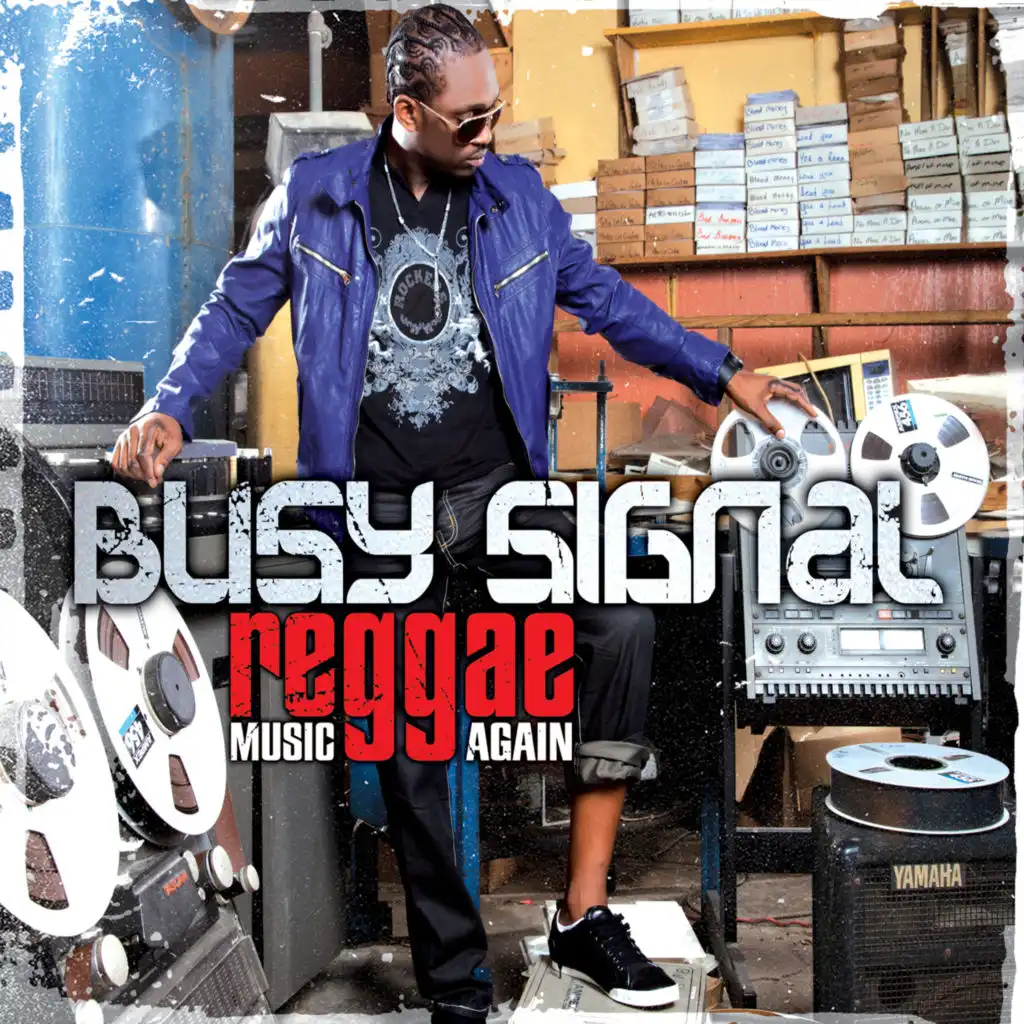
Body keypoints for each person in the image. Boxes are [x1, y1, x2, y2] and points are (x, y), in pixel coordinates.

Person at [112, 5, 813, 1020]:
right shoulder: (314, 199)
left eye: (496, 111)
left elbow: (609, 303)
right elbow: (234, 307)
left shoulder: (519, 200)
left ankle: (582, 914)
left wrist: (725, 372)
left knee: (620, 623)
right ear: (407, 111)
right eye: (470, 119)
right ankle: (455, 987)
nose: (491, 132)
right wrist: (171, 405)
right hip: (372, 518)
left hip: (498, 505)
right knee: (408, 740)